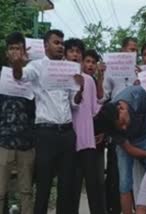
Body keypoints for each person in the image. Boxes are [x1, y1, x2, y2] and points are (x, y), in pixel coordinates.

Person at [11, 29, 84, 214]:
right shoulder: (37, 66)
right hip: (46, 134)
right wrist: (17, 65)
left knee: (66, 186)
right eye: (56, 42)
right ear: (45, 46)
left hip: (67, 133)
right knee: (43, 185)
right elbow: (20, 76)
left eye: (62, 43)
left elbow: (74, 103)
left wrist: (80, 88)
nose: (61, 46)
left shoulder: (69, 68)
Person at [94, 85, 146, 214]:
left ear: (121, 108)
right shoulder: (110, 120)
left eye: (123, 122)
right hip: (126, 144)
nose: (123, 128)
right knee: (124, 183)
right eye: (120, 127)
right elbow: (128, 149)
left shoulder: (137, 95)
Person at [64, 38, 106, 214]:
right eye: (71, 51)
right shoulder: (60, 78)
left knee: (93, 187)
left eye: (78, 52)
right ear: (66, 54)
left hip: (87, 142)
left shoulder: (88, 80)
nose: (75, 54)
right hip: (68, 141)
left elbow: (96, 109)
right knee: (71, 189)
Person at [0, 32, 35, 214]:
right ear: (7, 53)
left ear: (25, 52)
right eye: (11, 48)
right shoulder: (1, 75)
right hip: (3, 142)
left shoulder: (32, 78)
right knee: (0, 191)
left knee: (26, 191)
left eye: (18, 48)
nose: (15, 52)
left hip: (26, 143)